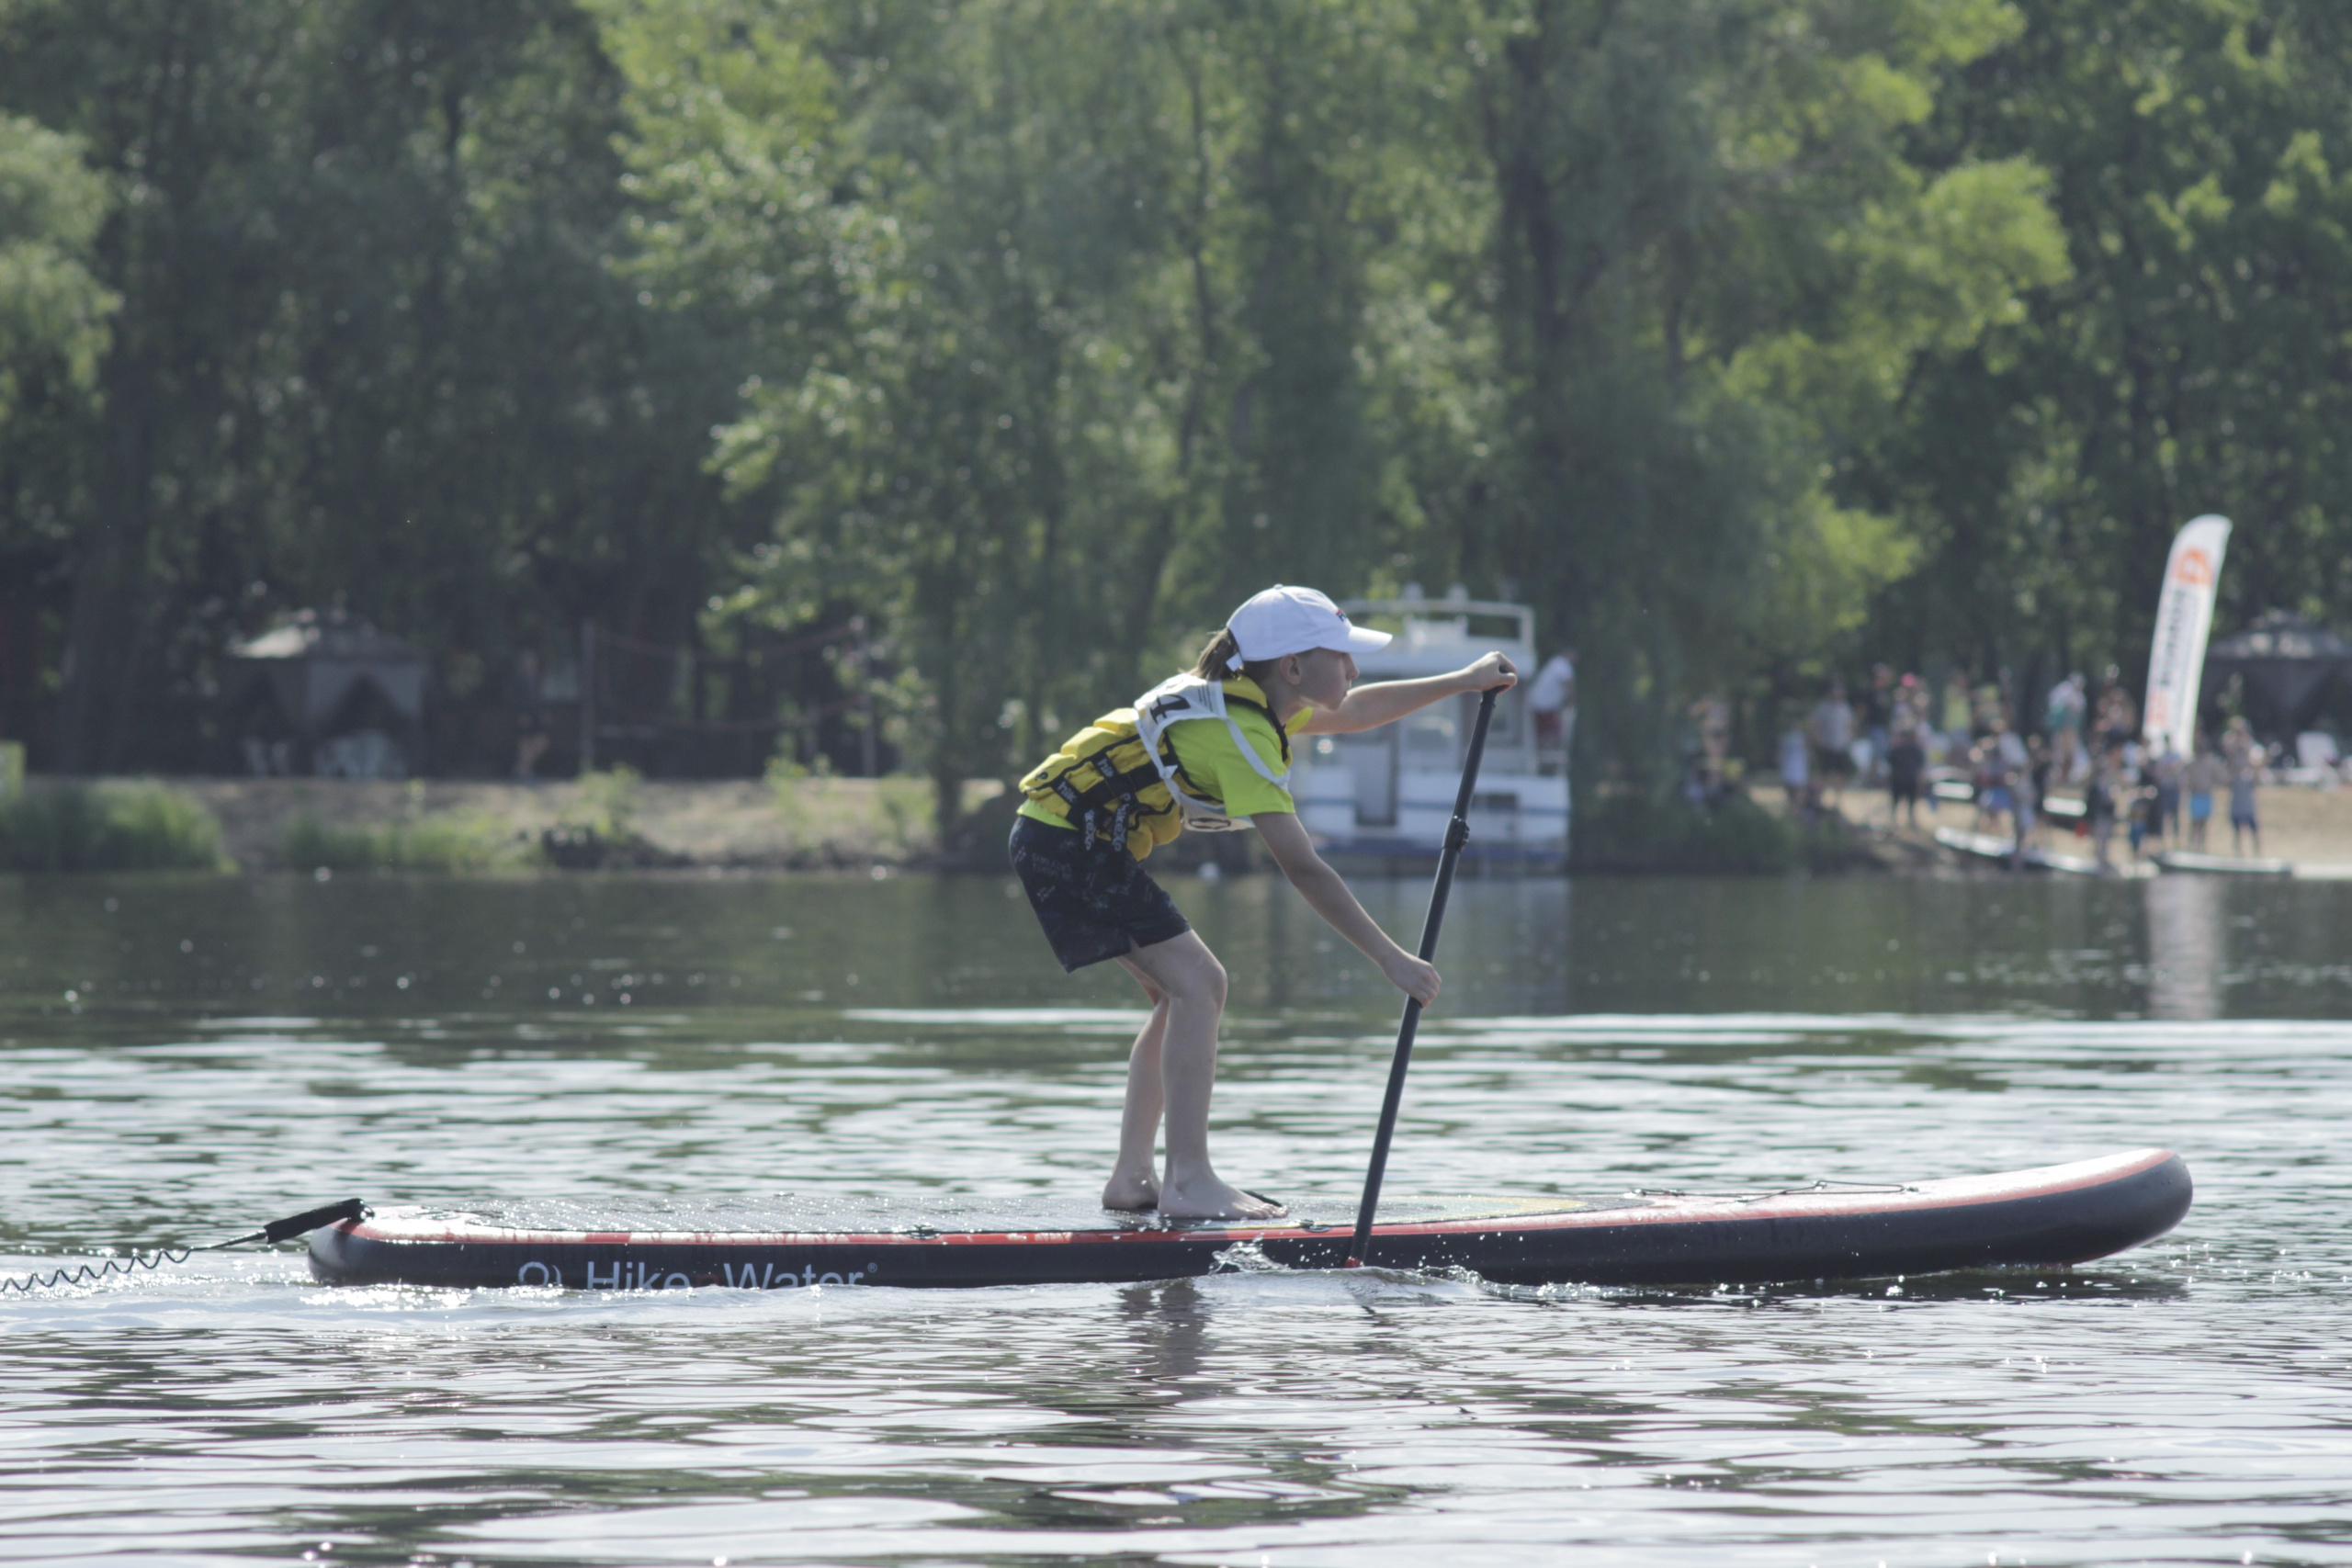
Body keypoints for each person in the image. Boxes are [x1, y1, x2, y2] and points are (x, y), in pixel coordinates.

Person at [1009, 585, 1515, 1221]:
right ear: (1293, 667)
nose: (1353, 669)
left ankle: (1133, 1178)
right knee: (1201, 984)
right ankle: (1188, 1181)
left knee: (1181, 993)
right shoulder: (1239, 734)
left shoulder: (1250, 702)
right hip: (1067, 841)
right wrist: (1393, 960)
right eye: (1341, 656)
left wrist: (1464, 681)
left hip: (1062, 835)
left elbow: (1359, 711)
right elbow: (1304, 869)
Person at [1808, 680, 1855, 808]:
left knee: (1841, 775)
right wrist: (1819, 741)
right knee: (1825, 775)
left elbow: (1850, 725)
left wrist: (1849, 739)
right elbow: (1813, 725)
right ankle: (1819, 800)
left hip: (1841, 746)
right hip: (1828, 747)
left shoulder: (1845, 708)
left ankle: (1837, 802)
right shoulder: (1823, 708)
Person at [1528, 650, 1575, 772]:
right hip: (1545, 707)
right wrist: (1571, 704)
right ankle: (1549, 765)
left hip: (1539, 706)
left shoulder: (1554, 663)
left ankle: (1544, 763)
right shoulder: (1563, 665)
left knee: (1544, 735)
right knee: (1554, 734)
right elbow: (1567, 685)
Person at [512, 649, 550, 781]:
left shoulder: (537, 678)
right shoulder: (519, 680)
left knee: (541, 743)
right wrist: (521, 715)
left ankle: (521, 769)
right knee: (525, 745)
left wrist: (543, 712)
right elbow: (517, 700)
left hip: (536, 716)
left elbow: (539, 699)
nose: (531, 663)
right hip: (525, 716)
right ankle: (524, 772)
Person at [2183, 743, 2227, 852]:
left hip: (2206, 795)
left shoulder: (2210, 763)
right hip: (2196, 794)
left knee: (2204, 822)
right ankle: (2193, 846)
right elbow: (2185, 777)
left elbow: (2220, 776)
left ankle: (2203, 846)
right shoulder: (2192, 763)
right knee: (2195, 823)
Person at [1887, 718, 1925, 829]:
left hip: (1900, 780)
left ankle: (1896, 821)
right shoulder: (1915, 750)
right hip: (1907, 780)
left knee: (1899, 803)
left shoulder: (1897, 750)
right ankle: (1907, 822)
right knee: (1908, 805)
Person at [2230, 743, 2264, 856]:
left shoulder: (2249, 773)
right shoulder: (2234, 775)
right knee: (2238, 832)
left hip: (2248, 808)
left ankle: (2257, 853)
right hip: (2237, 807)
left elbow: (2257, 781)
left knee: (2255, 831)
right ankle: (2239, 853)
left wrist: (2257, 766)